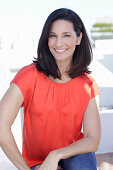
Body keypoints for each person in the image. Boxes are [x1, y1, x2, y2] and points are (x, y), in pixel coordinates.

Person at [0, 8, 101, 170]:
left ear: (79, 38)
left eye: (66, 35)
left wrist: (56, 155)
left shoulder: (88, 84)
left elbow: (92, 139)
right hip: (37, 162)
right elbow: (1, 125)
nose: (58, 43)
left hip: (75, 155)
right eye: (52, 36)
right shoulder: (28, 76)